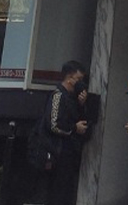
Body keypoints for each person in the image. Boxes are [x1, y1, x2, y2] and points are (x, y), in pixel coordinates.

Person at [42, 60, 89, 205]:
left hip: (71, 152)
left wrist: (82, 105)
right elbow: (53, 124)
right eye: (79, 79)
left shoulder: (73, 99)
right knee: (57, 192)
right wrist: (74, 128)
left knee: (67, 192)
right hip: (58, 152)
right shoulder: (58, 96)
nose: (81, 83)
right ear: (69, 78)